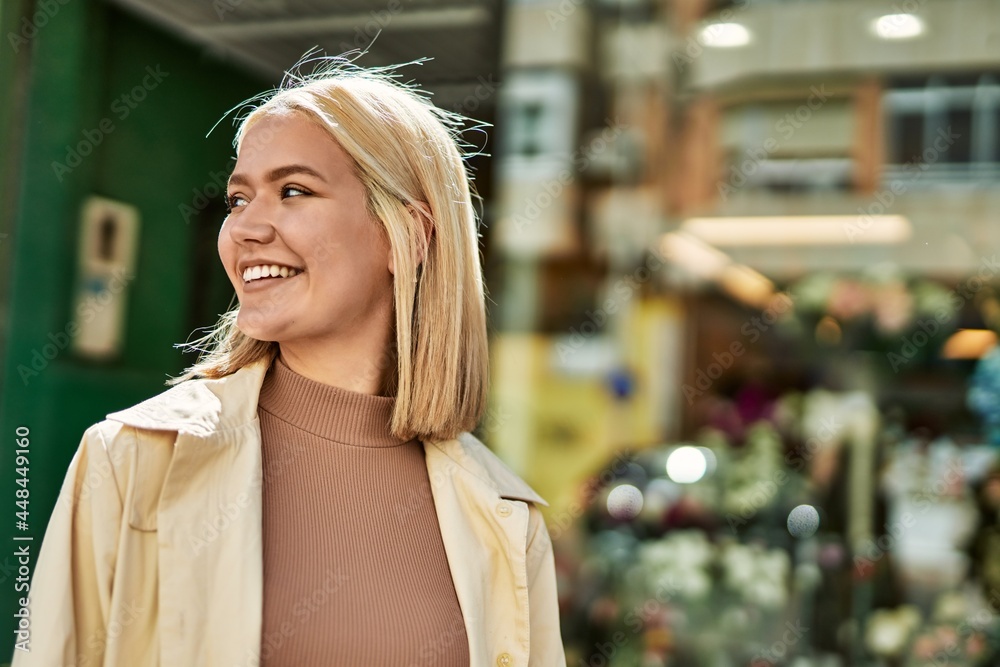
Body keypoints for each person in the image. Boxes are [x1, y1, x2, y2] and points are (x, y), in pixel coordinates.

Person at [14, 59, 565, 666]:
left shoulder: (506, 520)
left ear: (408, 235)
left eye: (294, 190)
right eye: (238, 198)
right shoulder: (131, 458)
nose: (245, 227)